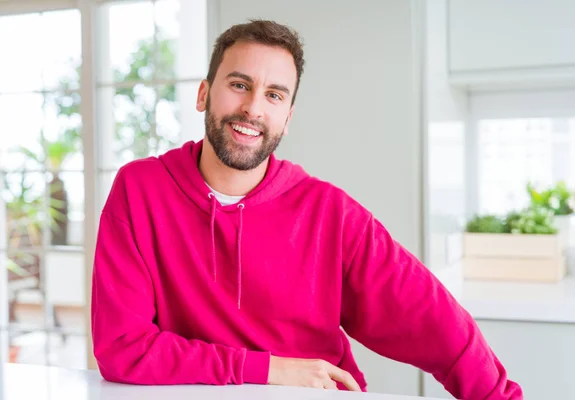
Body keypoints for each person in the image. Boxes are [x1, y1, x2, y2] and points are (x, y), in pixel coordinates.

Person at [91, 19, 523, 399]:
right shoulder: (140, 189)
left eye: (274, 95)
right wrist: (268, 369)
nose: (253, 108)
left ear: (288, 117)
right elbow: (122, 349)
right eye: (239, 84)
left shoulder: (329, 213)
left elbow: (433, 321)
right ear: (204, 93)